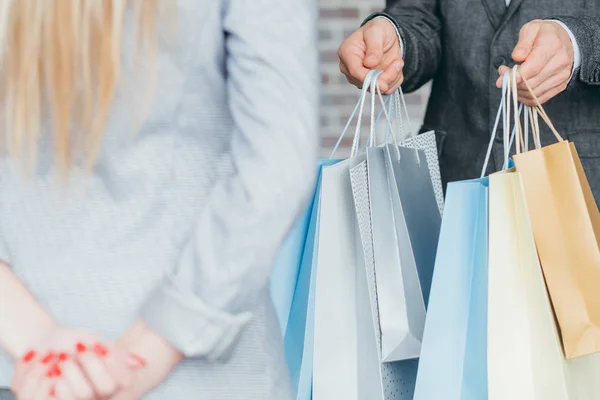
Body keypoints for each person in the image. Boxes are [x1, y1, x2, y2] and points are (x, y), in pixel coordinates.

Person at [0, 0, 318, 399]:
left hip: (25, 373)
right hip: (199, 375)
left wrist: (40, 342)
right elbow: (278, 166)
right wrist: (148, 352)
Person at [338, 0, 600, 198]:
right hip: (455, 179)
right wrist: (396, 39)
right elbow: (417, 13)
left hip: (584, 184)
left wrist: (580, 45)